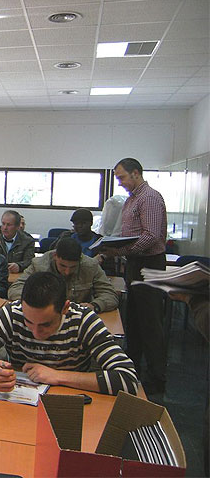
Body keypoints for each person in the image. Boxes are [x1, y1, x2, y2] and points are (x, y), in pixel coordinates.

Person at [0, 271, 139, 396]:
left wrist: (57, 376)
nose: (36, 332)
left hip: (69, 401)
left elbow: (127, 379)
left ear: (65, 308)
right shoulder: (12, 313)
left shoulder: (84, 320)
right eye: (29, 322)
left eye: (46, 324)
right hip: (18, 401)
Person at [101, 157, 168, 394]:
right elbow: (129, 232)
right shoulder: (132, 199)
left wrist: (119, 250)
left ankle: (156, 377)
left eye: (122, 177)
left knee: (150, 322)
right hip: (135, 263)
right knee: (135, 320)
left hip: (149, 265)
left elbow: (150, 236)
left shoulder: (148, 197)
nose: (119, 182)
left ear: (136, 173)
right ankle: (135, 370)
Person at [8, 237, 119, 313]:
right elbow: (15, 289)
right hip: (46, 314)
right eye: (63, 266)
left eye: (72, 267)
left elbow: (110, 295)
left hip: (77, 317)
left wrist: (95, 305)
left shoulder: (91, 266)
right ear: (55, 256)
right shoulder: (40, 265)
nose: (67, 271)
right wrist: (40, 302)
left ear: (80, 259)